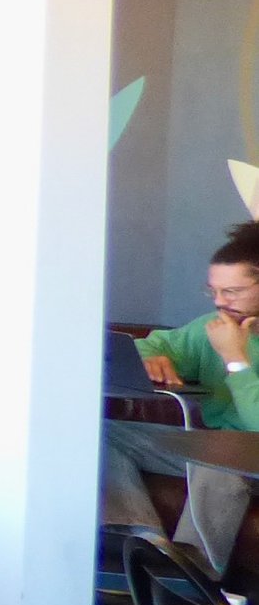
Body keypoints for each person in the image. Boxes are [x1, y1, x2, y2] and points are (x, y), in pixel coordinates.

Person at [105, 221, 259, 570]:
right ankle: (140, 550)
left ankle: (191, 581)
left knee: (218, 459)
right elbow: (152, 344)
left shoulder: (228, 339)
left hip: (240, 452)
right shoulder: (213, 327)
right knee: (103, 435)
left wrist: (236, 359)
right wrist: (151, 359)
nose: (221, 303)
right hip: (222, 446)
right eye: (214, 291)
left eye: (232, 292)